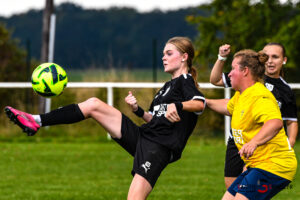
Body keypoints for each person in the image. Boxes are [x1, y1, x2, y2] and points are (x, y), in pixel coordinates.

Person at [4, 37, 205, 200]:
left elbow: (199, 104)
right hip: (145, 137)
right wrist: (137, 110)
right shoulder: (166, 88)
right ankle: (35, 120)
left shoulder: (185, 81)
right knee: (93, 104)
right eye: (163, 54)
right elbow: (154, 120)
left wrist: (177, 105)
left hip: (159, 148)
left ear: (184, 57)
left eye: (169, 53)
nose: (163, 57)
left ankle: (36, 120)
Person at [207, 49, 297, 200]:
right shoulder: (242, 94)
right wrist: (205, 102)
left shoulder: (260, 96)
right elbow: (228, 106)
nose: (229, 74)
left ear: (245, 71)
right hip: (258, 165)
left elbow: (275, 122)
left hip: (274, 166)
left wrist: (254, 142)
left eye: (233, 68)